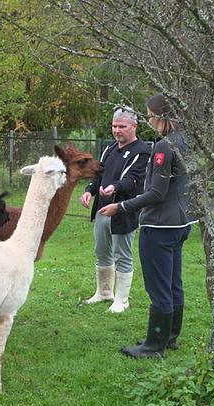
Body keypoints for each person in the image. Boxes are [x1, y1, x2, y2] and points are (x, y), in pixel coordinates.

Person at [98, 94, 197, 358]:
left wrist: (121, 206)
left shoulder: (164, 147)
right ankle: (169, 337)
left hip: (161, 227)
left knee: (158, 286)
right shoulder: (187, 141)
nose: (149, 120)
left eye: (150, 115)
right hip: (182, 222)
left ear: (161, 117)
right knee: (174, 282)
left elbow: (156, 193)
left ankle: (154, 345)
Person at [80, 106, 150, 313]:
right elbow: (100, 174)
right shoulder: (110, 149)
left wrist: (115, 187)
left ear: (134, 126)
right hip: (102, 209)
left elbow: (133, 179)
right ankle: (103, 293)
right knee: (101, 251)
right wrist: (89, 191)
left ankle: (122, 300)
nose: (117, 130)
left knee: (122, 254)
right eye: (114, 126)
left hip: (123, 211)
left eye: (122, 126)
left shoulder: (143, 151)